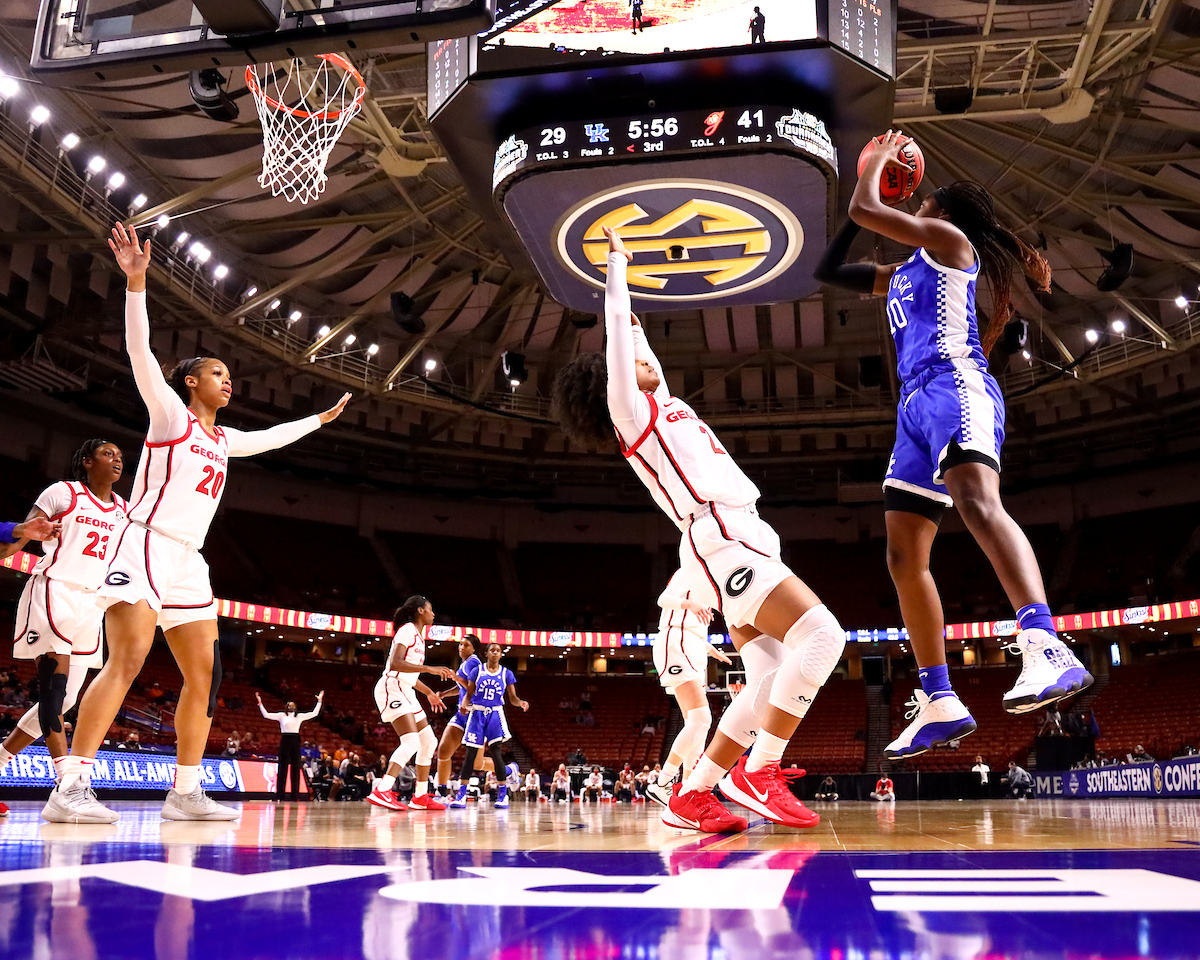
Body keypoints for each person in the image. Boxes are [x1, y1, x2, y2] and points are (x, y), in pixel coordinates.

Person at [43, 223, 351, 825]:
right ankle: (70, 787)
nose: (227, 380)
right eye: (216, 372)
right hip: (144, 546)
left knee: (205, 677)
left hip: (190, 561)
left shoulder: (225, 439)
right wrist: (136, 284)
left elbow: (269, 438)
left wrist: (317, 421)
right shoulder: (169, 416)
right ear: (191, 381)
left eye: (229, 376)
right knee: (127, 661)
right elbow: (139, 353)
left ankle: (185, 792)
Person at [551, 226, 846, 834]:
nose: (642, 360)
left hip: (746, 536)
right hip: (720, 540)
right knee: (823, 637)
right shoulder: (632, 415)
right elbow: (618, 329)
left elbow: (633, 332)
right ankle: (760, 770)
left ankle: (694, 792)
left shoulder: (663, 399)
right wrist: (616, 268)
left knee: (768, 679)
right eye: (630, 361)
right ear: (612, 385)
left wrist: (637, 303)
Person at [816, 132, 1092, 762]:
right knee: (902, 554)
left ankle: (1044, 643)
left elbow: (865, 209)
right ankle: (939, 696)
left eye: (925, 200)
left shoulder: (950, 244)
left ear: (943, 213)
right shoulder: (901, 273)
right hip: (913, 408)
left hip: (954, 383)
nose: (917, 204)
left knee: (976, 502)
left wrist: (872, 168)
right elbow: (829, 270)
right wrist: (863, 204)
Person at [0, 440, 128, 816]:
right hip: (55, 590)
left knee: (67, 700)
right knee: (54, 691)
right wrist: (16, 537)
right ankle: (67, 785)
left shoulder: (124, 510)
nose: (117, 460)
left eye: (120, 456)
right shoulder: (63, 492)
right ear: (86, 461)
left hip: (92, 604)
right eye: (108, 454)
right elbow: (17, 541)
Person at [645, 572, 732, 807]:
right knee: (701, 720)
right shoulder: (691, 570)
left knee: (699, 727)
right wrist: (689, 603)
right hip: (677, 642)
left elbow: (694, 627)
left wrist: (710, 649)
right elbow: (663, 599)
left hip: (693, 646)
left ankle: (687, 792)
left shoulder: (712, 583)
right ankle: (662, 783)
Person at [367, 595, 455, 811]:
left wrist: (429, 693)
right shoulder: (407, 630)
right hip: (392, 687)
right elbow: (396, 664)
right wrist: (430, 669)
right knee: (411, 742)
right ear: (420, 611)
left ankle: (420, 796)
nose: (433, 613)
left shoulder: (418, 637)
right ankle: (382, 789)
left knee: (429, 742)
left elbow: (410, 676)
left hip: (406, 689)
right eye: (430, 609)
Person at [449, 643, 529, 809]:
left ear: (501, 655)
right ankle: (461, 795)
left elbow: (512, 698)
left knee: (496, 753)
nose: (495, 652)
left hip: (495, 714)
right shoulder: (477, 671)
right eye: (492, 650)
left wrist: (520, 702)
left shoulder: (506, 673)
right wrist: (464, 705)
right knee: (470, 755)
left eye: (498, 651)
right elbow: (469, 693)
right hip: (477, 713)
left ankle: (503, 795)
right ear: (486, 653)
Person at [434, 634, 481, 798]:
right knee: (443, 751)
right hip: (462, 715)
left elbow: (474, 688)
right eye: (460, 644)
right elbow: (461, 687)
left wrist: (456, 677)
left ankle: (509, 770)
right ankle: (442, 792)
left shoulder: (474, 662)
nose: (461, 647)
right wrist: (444, 694)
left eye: (466, 645)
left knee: (478, 764)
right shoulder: (465, 663)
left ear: (474, 649)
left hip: (475, 716)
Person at [258, 690, 323, 801]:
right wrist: (260, 703)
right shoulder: (281, 716)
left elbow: (314, 713)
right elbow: (266, 715)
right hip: (285, 739)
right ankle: (280, 795)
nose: (291, 706)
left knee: (295, 767)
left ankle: (295, 795)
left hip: (295, 740)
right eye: (289, 705)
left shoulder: (299, 717)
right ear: (286, 707)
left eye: (293, 705)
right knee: (282, 767)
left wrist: (319, 701)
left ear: (295, 708)